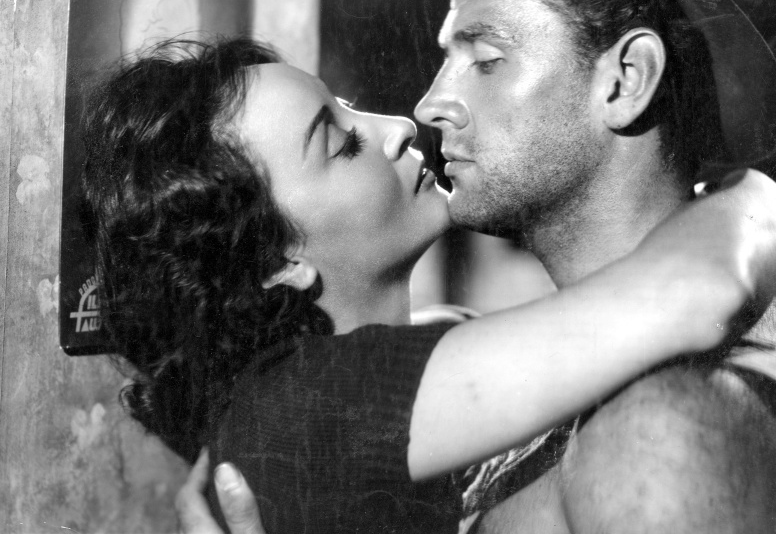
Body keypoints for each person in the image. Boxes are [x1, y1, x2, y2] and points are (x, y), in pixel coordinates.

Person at [81, 38, 775, 532]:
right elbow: (687, 291)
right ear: (276, 263)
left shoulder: (386, 374)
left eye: (349, 107)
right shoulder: (298, 409)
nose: (395, 127)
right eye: (341, 143)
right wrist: (757, 192)